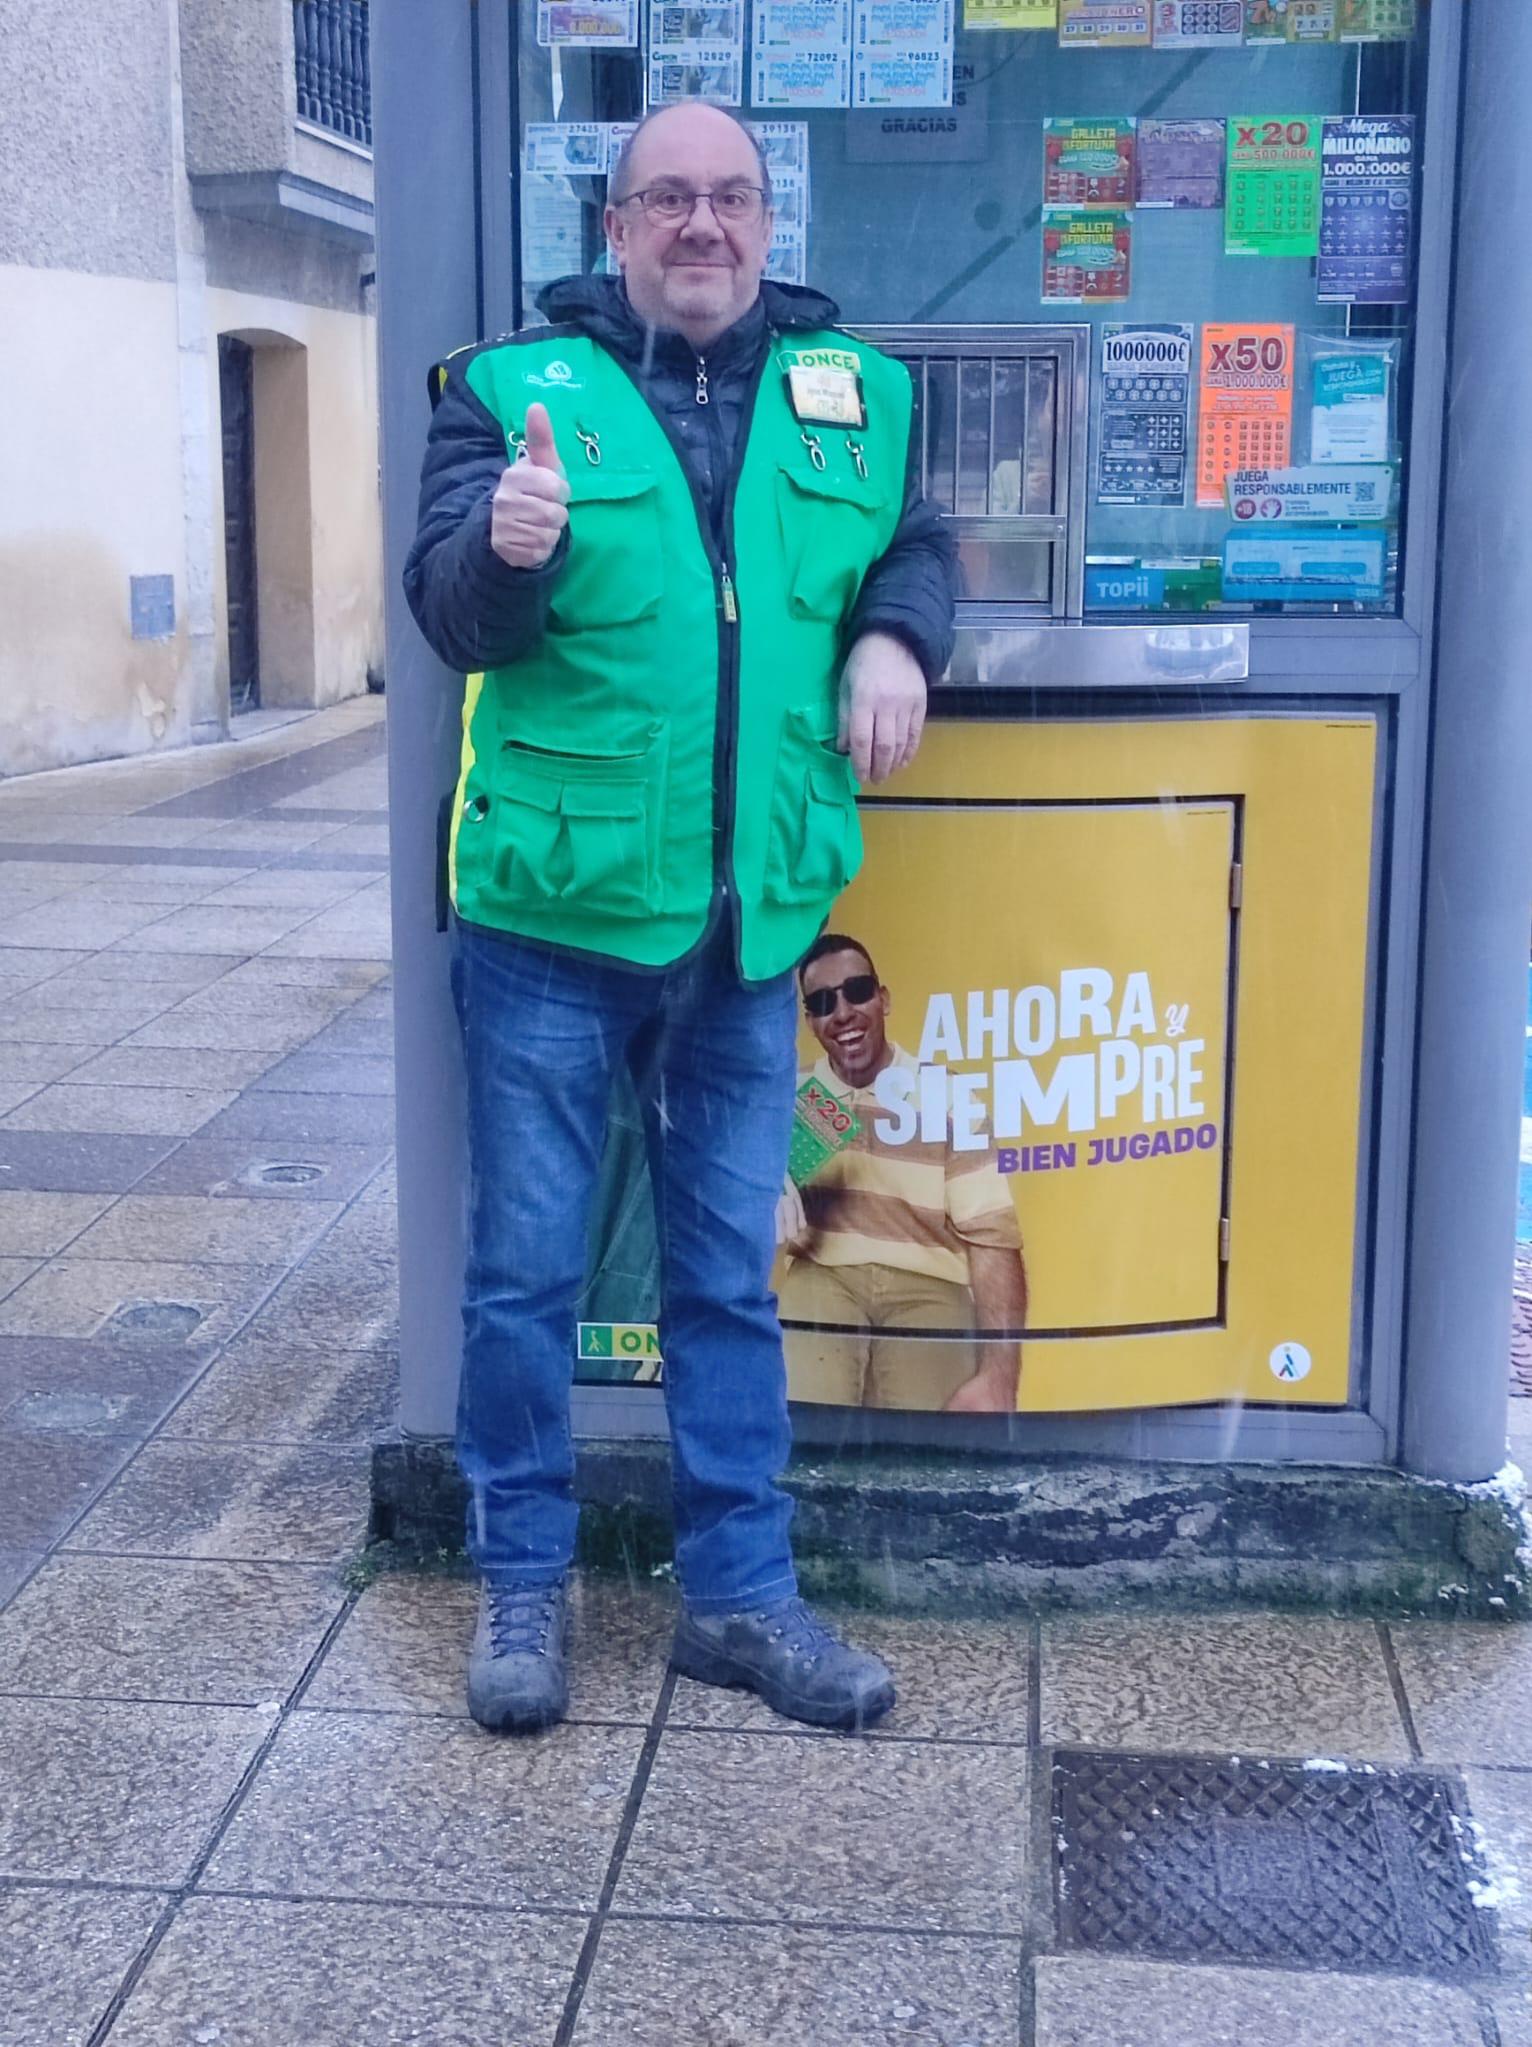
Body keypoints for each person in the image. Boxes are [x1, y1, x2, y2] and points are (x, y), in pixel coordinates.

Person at [403, 99, 956, 1735]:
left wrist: (900, 642)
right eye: (667, 199)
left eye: (729, 197)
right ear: (615, 226)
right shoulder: (506, 393)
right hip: (547, 923)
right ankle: (522, 1589)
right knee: (522, 1274)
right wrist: (504, 553)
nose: (700, 225)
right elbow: (448, 615)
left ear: (768, 224)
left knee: (724, 1273)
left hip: (749, 922)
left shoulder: (852, 395)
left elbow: (912, 548)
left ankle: (741, 1599)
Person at [777, 934, 1028, 1412]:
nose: (844, 1011)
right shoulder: (789, 1097)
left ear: (884, 998)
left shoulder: (946, 1095)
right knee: (804, 1435)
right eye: (824, 1002)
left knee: (926, 1457)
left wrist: (1001, 1377)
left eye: (858, 990)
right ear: (810, 1021)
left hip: (929, 1287)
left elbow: (992, 1237)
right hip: (823, 1276)